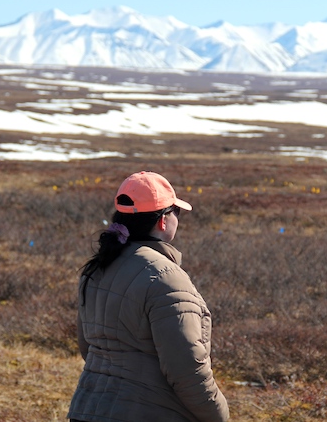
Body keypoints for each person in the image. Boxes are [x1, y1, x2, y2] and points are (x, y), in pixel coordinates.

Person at [67, 171, 229, 422]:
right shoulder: (166, 277)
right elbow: (186, 369)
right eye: (176, 211)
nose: (179, 218)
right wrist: (218, 415)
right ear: (163, 221)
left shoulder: (98, 267)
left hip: (86, 410)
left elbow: (88, 348)